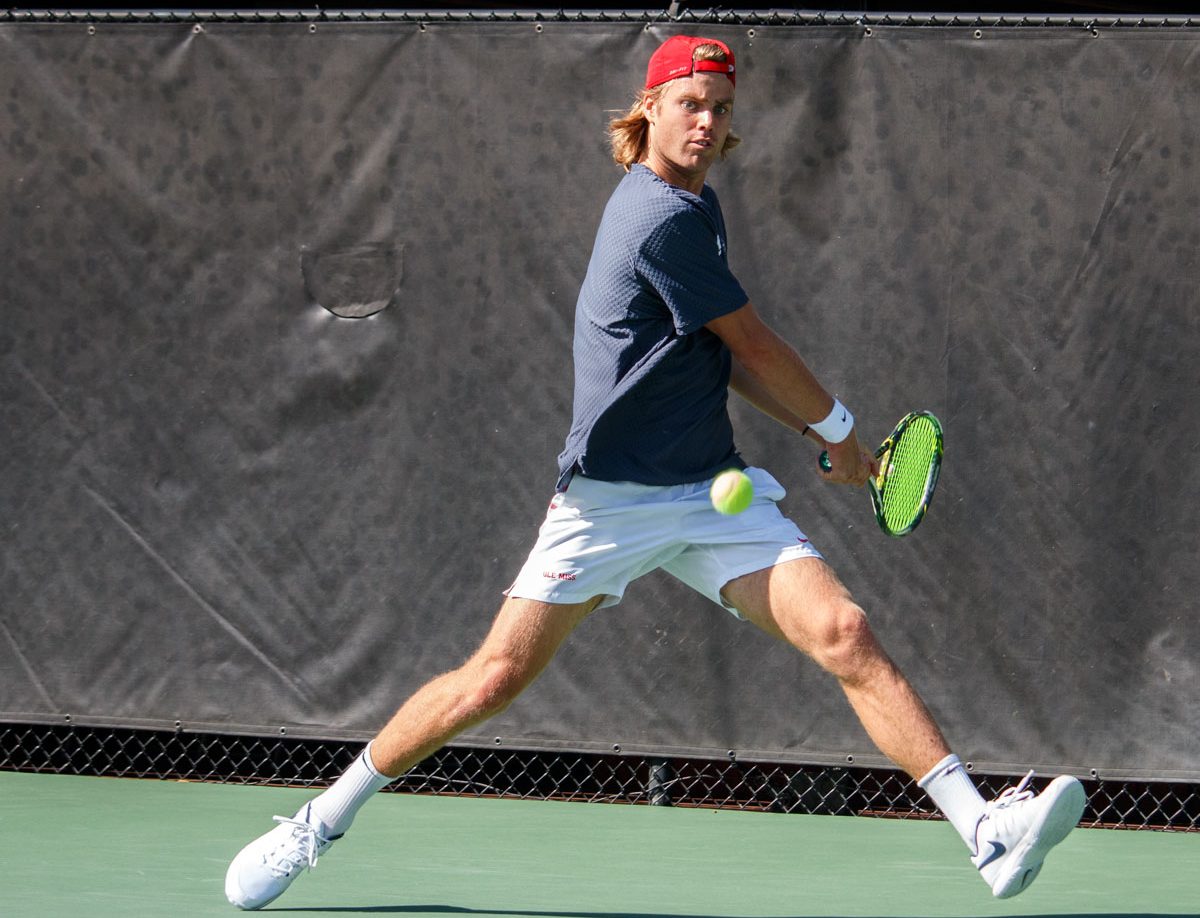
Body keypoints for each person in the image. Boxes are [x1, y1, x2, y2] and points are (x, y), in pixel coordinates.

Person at [225, 35, 1085, 911]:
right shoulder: (658, 216)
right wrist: (838, 429)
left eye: (722, 109)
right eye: (691, 104)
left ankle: (984, 830)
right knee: (489, 682)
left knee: (844, 634)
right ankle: (318, 821)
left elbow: (722, 355)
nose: (707, 123)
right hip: (605, 504)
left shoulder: (696, 209)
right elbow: (753, 341)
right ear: (650, 107)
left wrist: (824, 442)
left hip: (706, 495)